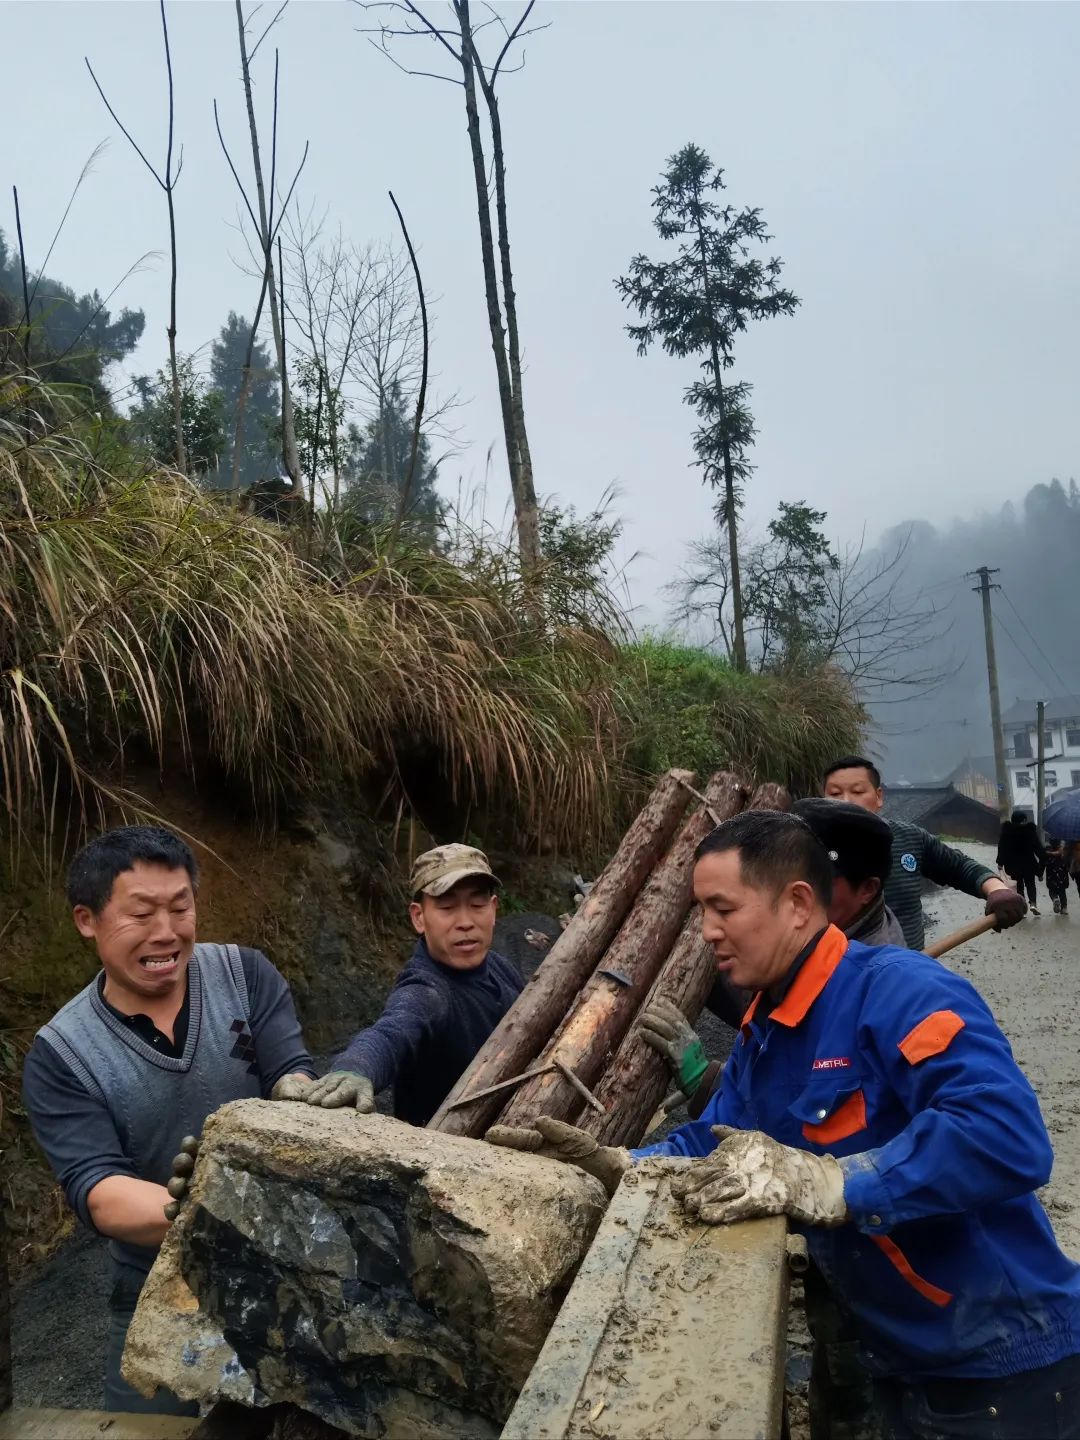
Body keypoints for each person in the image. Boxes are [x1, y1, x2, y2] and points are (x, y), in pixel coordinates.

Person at [489, 810, 1080, 1439]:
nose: (707, 932)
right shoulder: (767, 1026)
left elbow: (1005, 1135)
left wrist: (833, 1183)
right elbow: (713, 1138)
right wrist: (624, 1167)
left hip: (1003, 1370)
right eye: (700, 911)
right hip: (901, 1361)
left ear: (797, 904)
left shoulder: (901, 990)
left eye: (723, 908)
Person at [22, 826, 316, 1416]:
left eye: (180, 907)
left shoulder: (244, 975)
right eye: (141, 913)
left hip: (284, 1266)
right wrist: (199, 1211)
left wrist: (308, 1097)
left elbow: (290, 1071)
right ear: (87, 920)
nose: (166, 932)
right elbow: (98, 1189)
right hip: (157, 1286)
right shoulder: (62, 1053)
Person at [641, 796, 905, 1115]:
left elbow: (792, 1113)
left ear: (866, 890)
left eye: (820, 880)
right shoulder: (799, 955)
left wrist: (707, 1083)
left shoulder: (885, 992)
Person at [303, 844, 522, 1126]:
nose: (466, 922)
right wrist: (355, 1069)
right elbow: (393, 1029)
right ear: (419, 917)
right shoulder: (427, 990)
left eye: (477, 905)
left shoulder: (501, 969)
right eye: (447, 907)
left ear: (493, 909)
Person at [822, 754, 1026, 949]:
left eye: (857, 792)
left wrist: (997, 890)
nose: (845, 801)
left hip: (908, 971)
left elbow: (958, 866)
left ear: (878, 796)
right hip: (838, 976)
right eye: (835, 794)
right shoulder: (808, 846)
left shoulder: (909, 838)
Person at [996, 809, 1045, 916]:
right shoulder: (1029, 831)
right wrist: (1041, 868)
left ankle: (1022, 908)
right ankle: (1033, 903)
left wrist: (1000, 863)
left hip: (1013, 865)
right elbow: (1038, 849)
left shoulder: (1006, 832)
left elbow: (1002, 848)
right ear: (1023, 820)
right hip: (1029, 864)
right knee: (1030, 884)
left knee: (1018, 886)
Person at [1044, 838, 1070, 915]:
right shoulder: (1063, 851)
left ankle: (1055, 898)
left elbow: (1043, 862)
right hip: (1062, 875)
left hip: (1051, 875)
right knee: (1062, 891)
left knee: (1051, 891)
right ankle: (1064, 908)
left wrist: (1040, 873)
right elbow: (1067, 863)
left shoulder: (1047, 852)